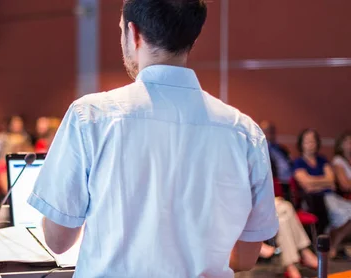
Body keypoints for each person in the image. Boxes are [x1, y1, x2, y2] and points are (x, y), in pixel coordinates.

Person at [26, 1, 278, 276]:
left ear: (132, 34)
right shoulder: (245, 132)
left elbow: (58, 241)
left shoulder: (91, 117)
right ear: (191, 37)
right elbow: (246, 257)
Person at [293, 129, 351, 258]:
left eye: (313, 141)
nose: (311, 144)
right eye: (307, 141)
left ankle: (333, 245)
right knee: (340, 214)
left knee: (347, 215)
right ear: (301, 143)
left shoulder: (322, 159)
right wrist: (323, 182)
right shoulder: (298, 162)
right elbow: (306, 185)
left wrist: (314, 182)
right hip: (312, 200)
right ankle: (330, 246)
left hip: (330, 197)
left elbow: (331, 180)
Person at [332, 131, 351, 198]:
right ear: (341, 145)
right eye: (348, 142)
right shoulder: (338, 160)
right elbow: (344, 185)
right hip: (346, 196)